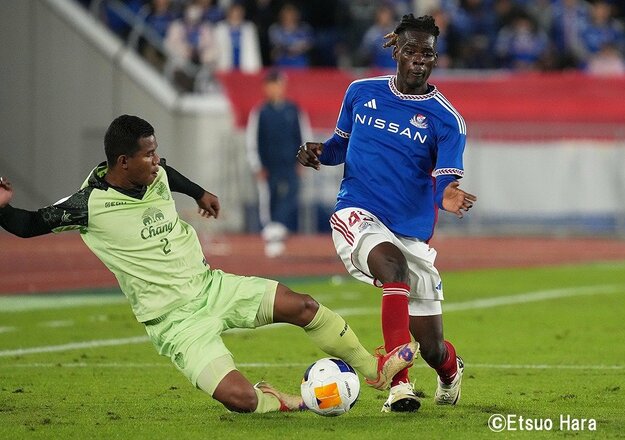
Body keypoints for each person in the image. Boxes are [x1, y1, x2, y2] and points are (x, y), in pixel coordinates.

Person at [0, 115, 418, 414]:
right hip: (175, 322)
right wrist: (1, 208)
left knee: (303, 305)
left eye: (156, 151)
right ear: (122, 162)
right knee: (241, 401)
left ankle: (374, 370)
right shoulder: (86, 205)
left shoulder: (154, 174)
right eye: (148, 155)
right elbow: (27, 224)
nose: (157, 160)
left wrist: (200, 193)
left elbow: (169, 173)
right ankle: (283, 401)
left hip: (212, 287)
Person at [296, 15, 477, 413]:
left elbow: (445, 176)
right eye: (410, 51)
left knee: (431, 346)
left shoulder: (447, 119)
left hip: (411, 231)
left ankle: (450, 370)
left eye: (426, 54)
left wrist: (446, 195)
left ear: (434, 58)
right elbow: (340, 145)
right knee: (391, 267)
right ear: (396, 49)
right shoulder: (361, 92)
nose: (418, 60)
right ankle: (400, 384)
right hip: (357, 210)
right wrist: (319, 152)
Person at [246, 70, 311, 257]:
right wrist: (256, 165)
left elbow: (303, 136)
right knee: (269, 198)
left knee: (290, 195)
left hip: (290, 163)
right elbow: (253, 140)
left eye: (278, 85)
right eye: (271, 85)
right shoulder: (260, 112)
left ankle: (278, 230)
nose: (275, 89)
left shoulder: (293, 110)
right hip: (269, 165)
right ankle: (271, 233)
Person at [213, 2, 262, 73]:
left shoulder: (249, 28)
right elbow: (215, 49)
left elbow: (254, 49)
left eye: (238, 13)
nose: (236, 15)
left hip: (247, 67)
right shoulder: (219, 28)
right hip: (224, 66)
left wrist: (257, 67)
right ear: (228, 13)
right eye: (233, 12)